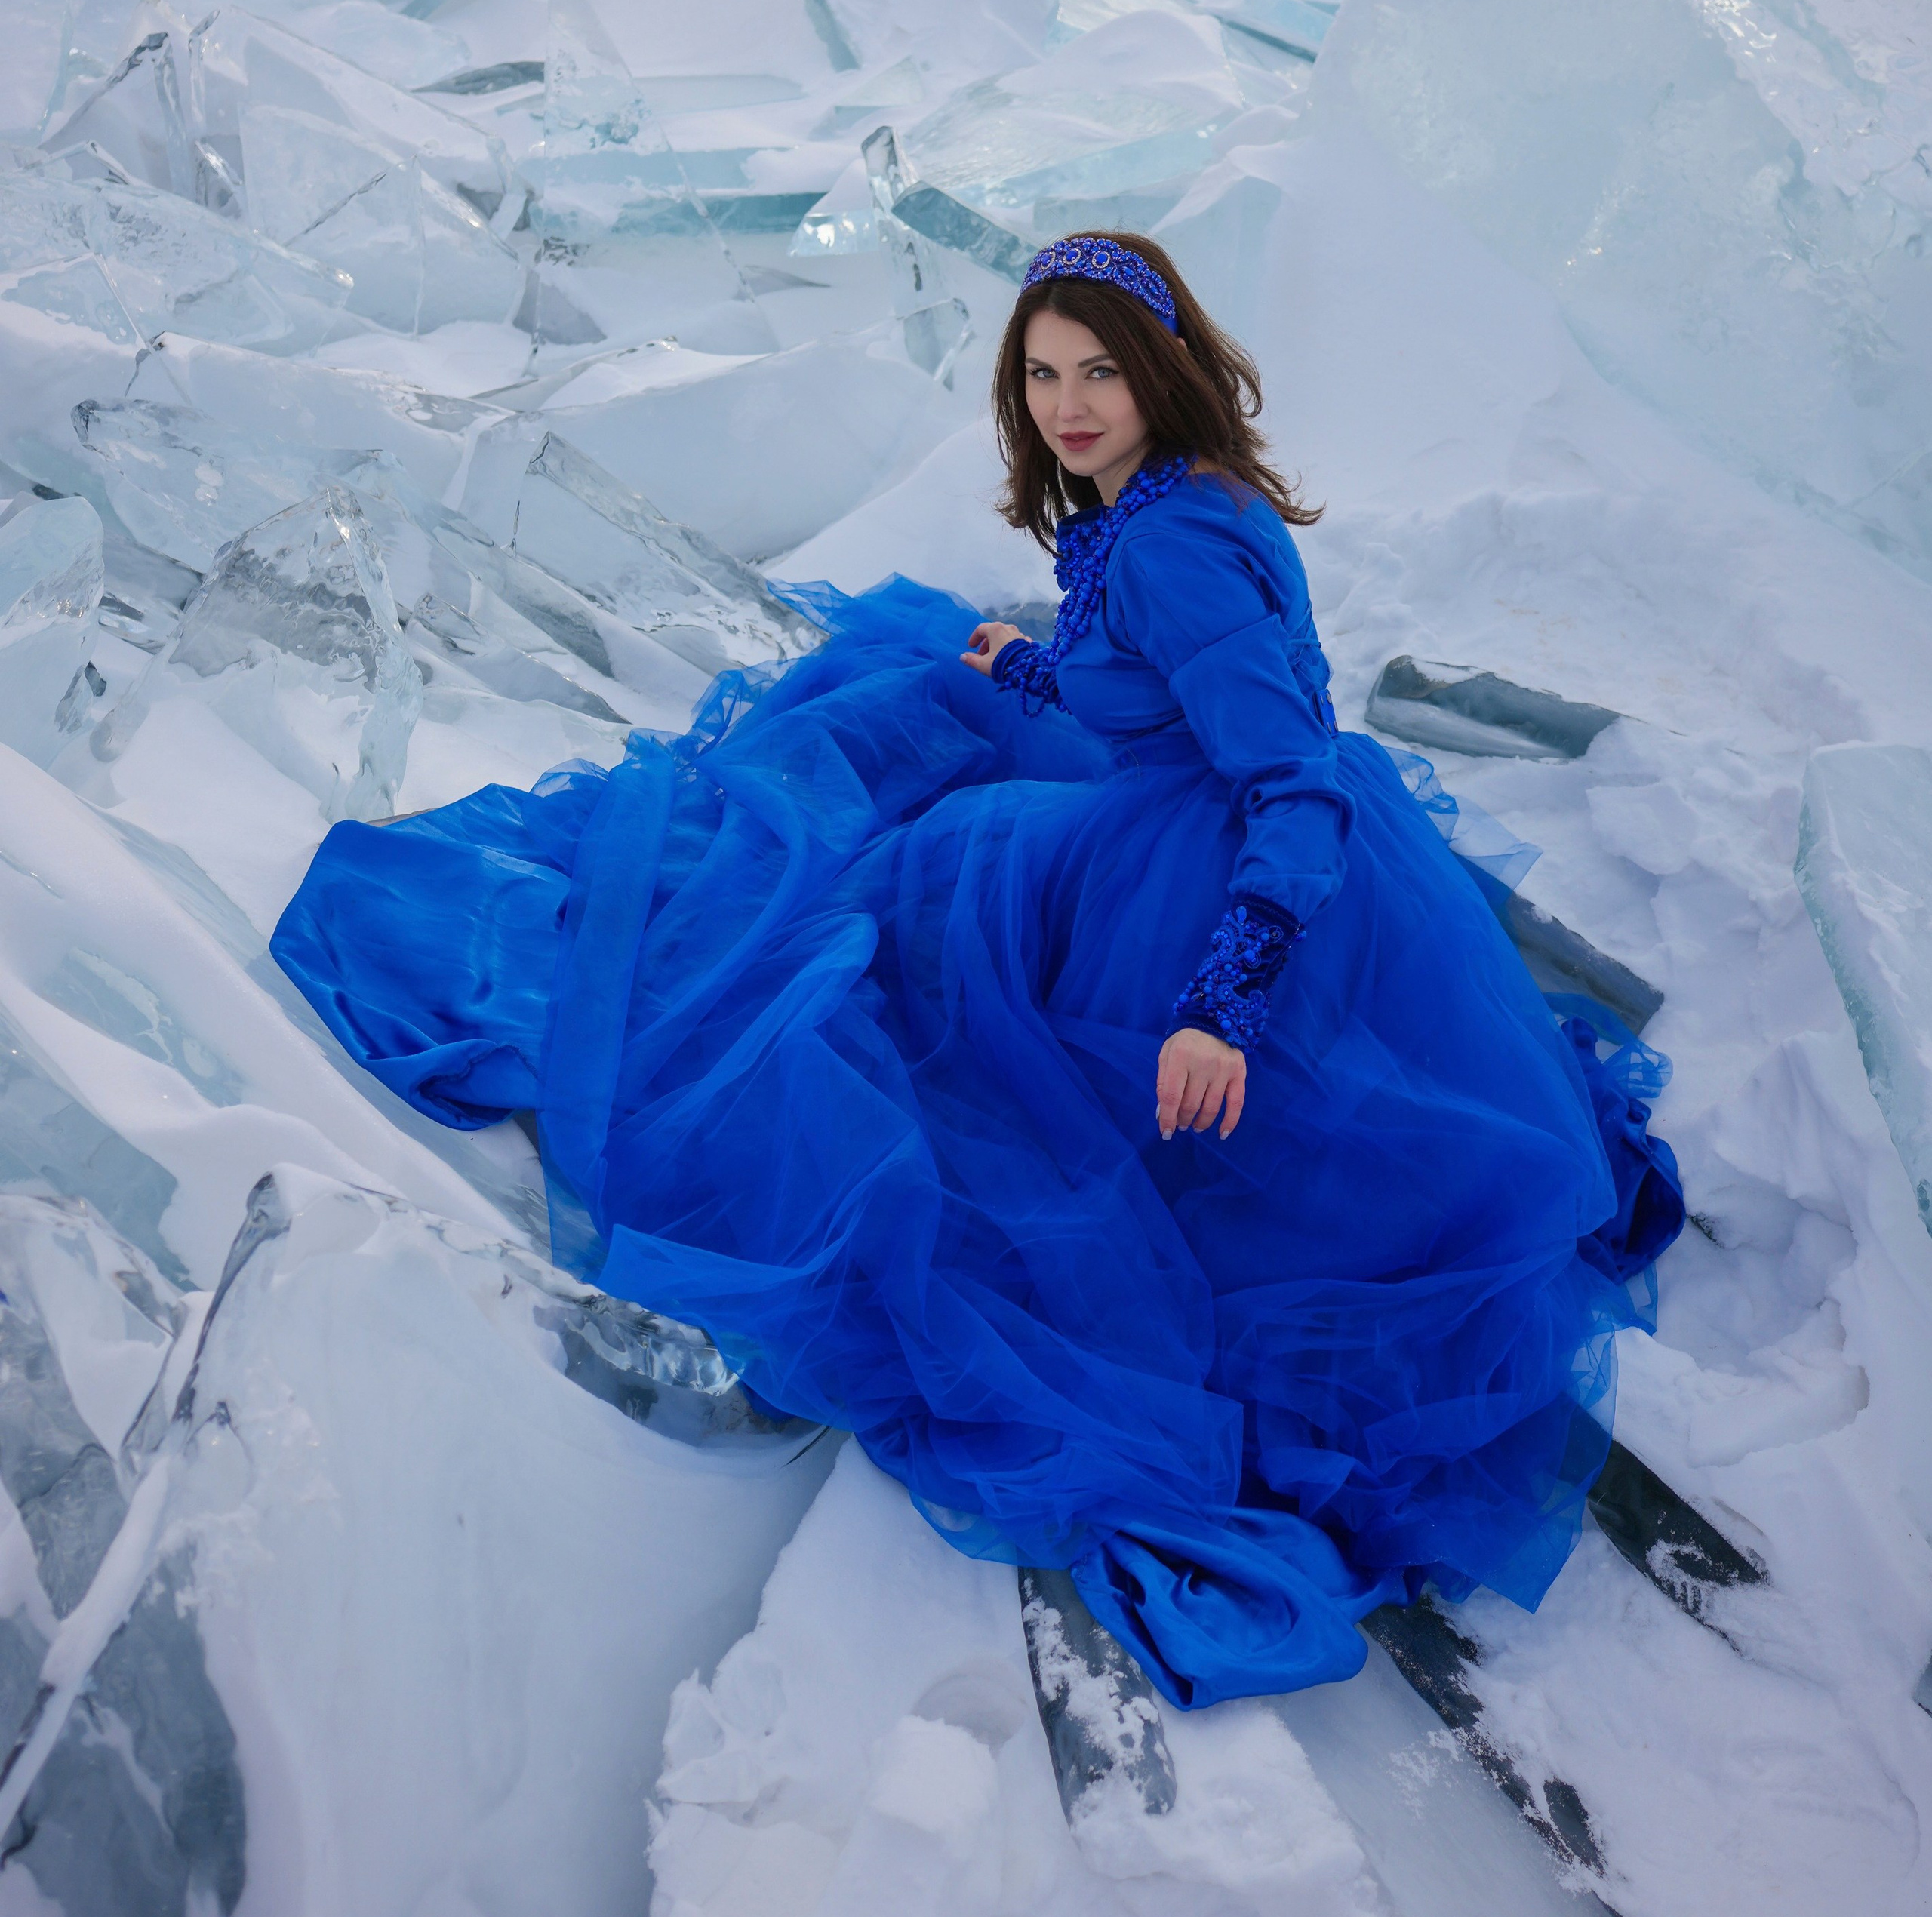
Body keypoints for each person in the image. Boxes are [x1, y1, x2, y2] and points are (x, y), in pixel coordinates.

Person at [272, 231, 1683, 1708]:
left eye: (1101, 372)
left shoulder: (1177, 549)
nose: (1069, 405)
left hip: (1219, 875)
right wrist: (1025, 669)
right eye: (1042, 374)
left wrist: (1217, 1007)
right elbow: (1162, 689)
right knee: (928, 860)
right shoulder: (1170, 501)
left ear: (1161, 371)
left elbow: (1290, 785)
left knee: (899, 959)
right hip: (1202, 834)